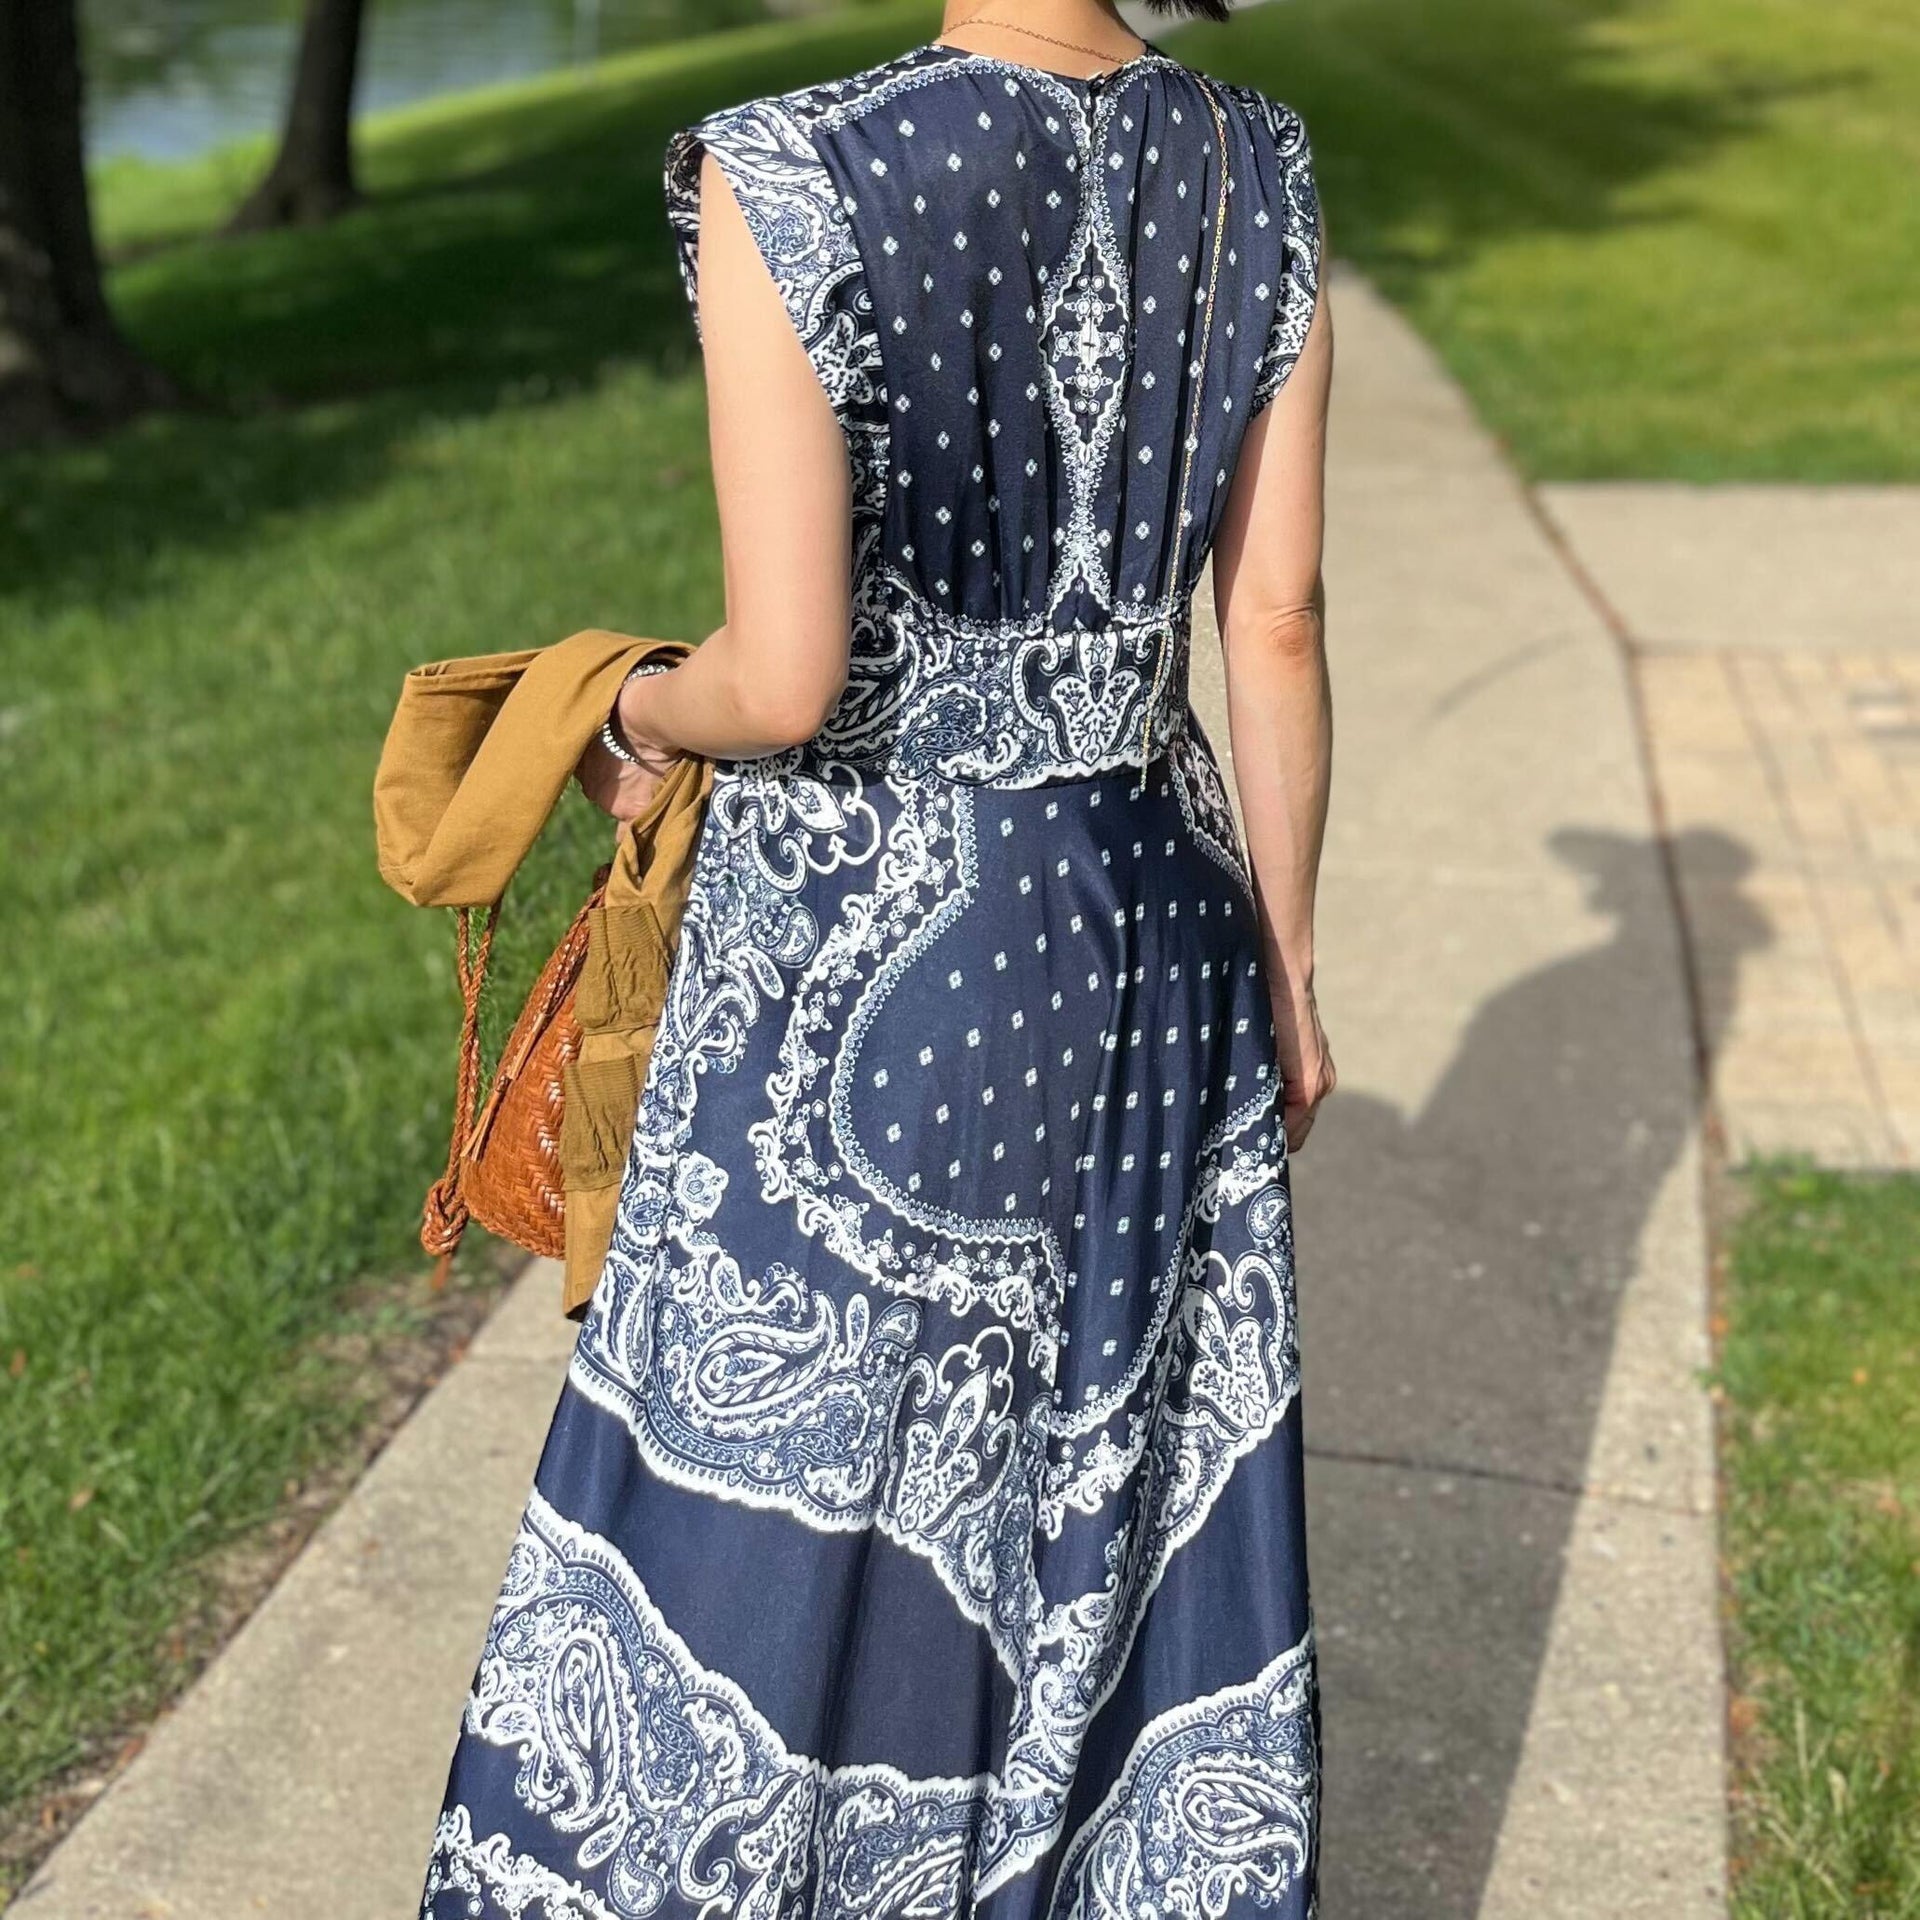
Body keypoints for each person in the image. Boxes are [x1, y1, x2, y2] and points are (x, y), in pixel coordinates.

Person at [419, 0, 1334, 1910]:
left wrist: (631, 706)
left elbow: (785, 678)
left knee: (796, 1501)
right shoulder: (1262, 164)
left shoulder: (790, 167)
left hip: (873, 934)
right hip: (1158, 919)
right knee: (1105, 1481)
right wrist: (1291, 970)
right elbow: (1274, 621)